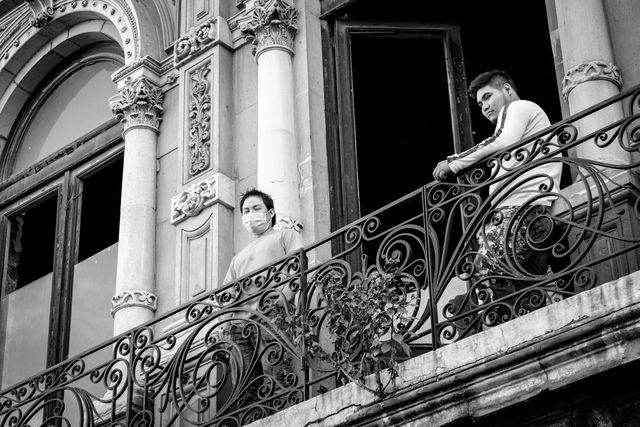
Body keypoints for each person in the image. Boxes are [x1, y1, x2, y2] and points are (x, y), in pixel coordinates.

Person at [433, 70, 562, 308]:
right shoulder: (526, 118)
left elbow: (501, 140)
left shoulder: (517, 108)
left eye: (488, 96)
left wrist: (453, 162)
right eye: (480, 102)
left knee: (484, 268)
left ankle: (516, 327)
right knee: (531, 286)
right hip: (533, 213)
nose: (484, 106)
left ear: (507, 90)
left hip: (520, 212)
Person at [221, 188, 304, 408]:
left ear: (270, 212)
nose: (251, 214)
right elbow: (227, 294)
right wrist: (227, 324)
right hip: (240, 324)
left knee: (276, 371)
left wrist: (283, 299)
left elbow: (299, 267)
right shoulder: (237, 259)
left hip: (271, 314)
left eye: (256, 208)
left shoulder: (285, 235)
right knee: (244, 386)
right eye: (246, 210)